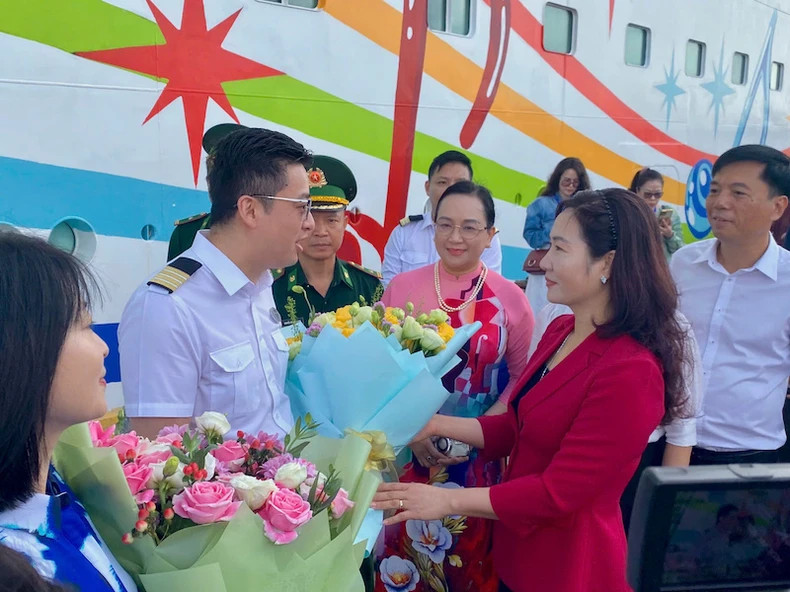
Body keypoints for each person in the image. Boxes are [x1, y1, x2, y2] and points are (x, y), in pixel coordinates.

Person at [373, 189, 690, 592]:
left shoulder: (631, 370)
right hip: (514, 552)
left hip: (568, 565)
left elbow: (558, 493)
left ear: (607, 262)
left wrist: (446, 501)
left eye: (559, 248)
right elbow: (516, 427)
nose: (543, 261)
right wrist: (432, 422)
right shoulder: (561, 331)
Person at [375, 181, 534, 592]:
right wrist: (413, 429)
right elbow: (380, 368)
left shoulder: (511, 301)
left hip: (477, 459)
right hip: (409, 451)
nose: (455, 237)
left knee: (468, 566)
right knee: (402, 562)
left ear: (490, 235)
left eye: (469, 227)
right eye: (445, 225)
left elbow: (520, 376)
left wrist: (487, 426)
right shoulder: (401, 289)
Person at [119, 128, 314, 439]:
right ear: (250, 210)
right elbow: (160, 458)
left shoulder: (261, 285)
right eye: (301, 206)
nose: (311, 223)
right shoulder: (168, 306)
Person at [0, 231, 137, 592]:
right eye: (86, 325)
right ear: (23, 349)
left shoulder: (56, 490)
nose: (103, 347)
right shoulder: (16, 571)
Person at [528, 299, 701, 532]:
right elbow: (528, 398)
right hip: (550, 469)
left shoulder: (668, 323)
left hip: (633, 478)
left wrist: (663, 514)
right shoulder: (555, 317)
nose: (546, 263)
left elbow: (682, 428)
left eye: (561, 258)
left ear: (607, 263)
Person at [672, 145, 790, 465]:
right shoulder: (683, 264)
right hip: (670, 445)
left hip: (751, 455)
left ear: (777, 207)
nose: (719, 202)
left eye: (739, 193)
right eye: (715, 189)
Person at [272, 155, 382, 325]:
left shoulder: (368, 285)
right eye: (310, 218)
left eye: (331, 220)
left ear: (344, 223)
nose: (321, 232)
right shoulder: (271, 286)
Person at [381, 150, 502, 285]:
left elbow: (489, 288)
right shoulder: (403, 232)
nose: (451, 190)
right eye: (442, 182)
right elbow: (390, 287)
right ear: (428, 187)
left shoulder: (483, 235)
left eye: (460, 184)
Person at [167, 123, 246, 260]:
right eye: (216, 180)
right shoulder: (186, 233)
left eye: (230, 181)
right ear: (209, 182)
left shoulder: (282, 231)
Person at [522, 157, 591, 314]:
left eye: (575, 182)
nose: (571, 186)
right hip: (544, 267)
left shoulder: (586, 206)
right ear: (558, 179)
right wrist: (555, 233)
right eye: (567, 181)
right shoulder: (540, 204)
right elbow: (530, 235)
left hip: (572, 266)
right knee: (538, 310)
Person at [629, 167, 684, 260]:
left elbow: (680, 250)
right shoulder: (628, 213)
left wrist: (669, 235)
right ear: (638, 191)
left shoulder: (671, 214)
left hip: (662, 270)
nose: (653, 199)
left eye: (658, 194)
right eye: (648, 194)